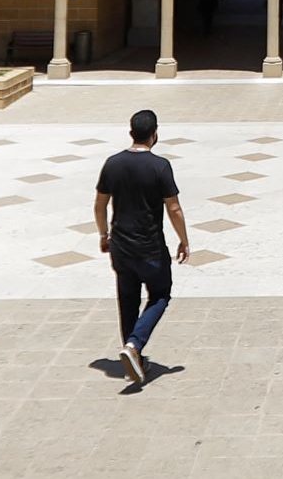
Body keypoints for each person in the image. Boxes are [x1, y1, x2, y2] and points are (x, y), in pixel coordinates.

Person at [94, 108, 189, 384]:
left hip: (120, 246)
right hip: (150, 248)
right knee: (160, 295)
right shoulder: (160, 166)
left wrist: (103, 234)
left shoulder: (112, 163)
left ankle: (131, 359)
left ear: (131, 133)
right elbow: (173, 208)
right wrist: (183, 239)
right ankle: (134, 346)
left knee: (128, 301)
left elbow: (100, 204)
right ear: (154, 134)